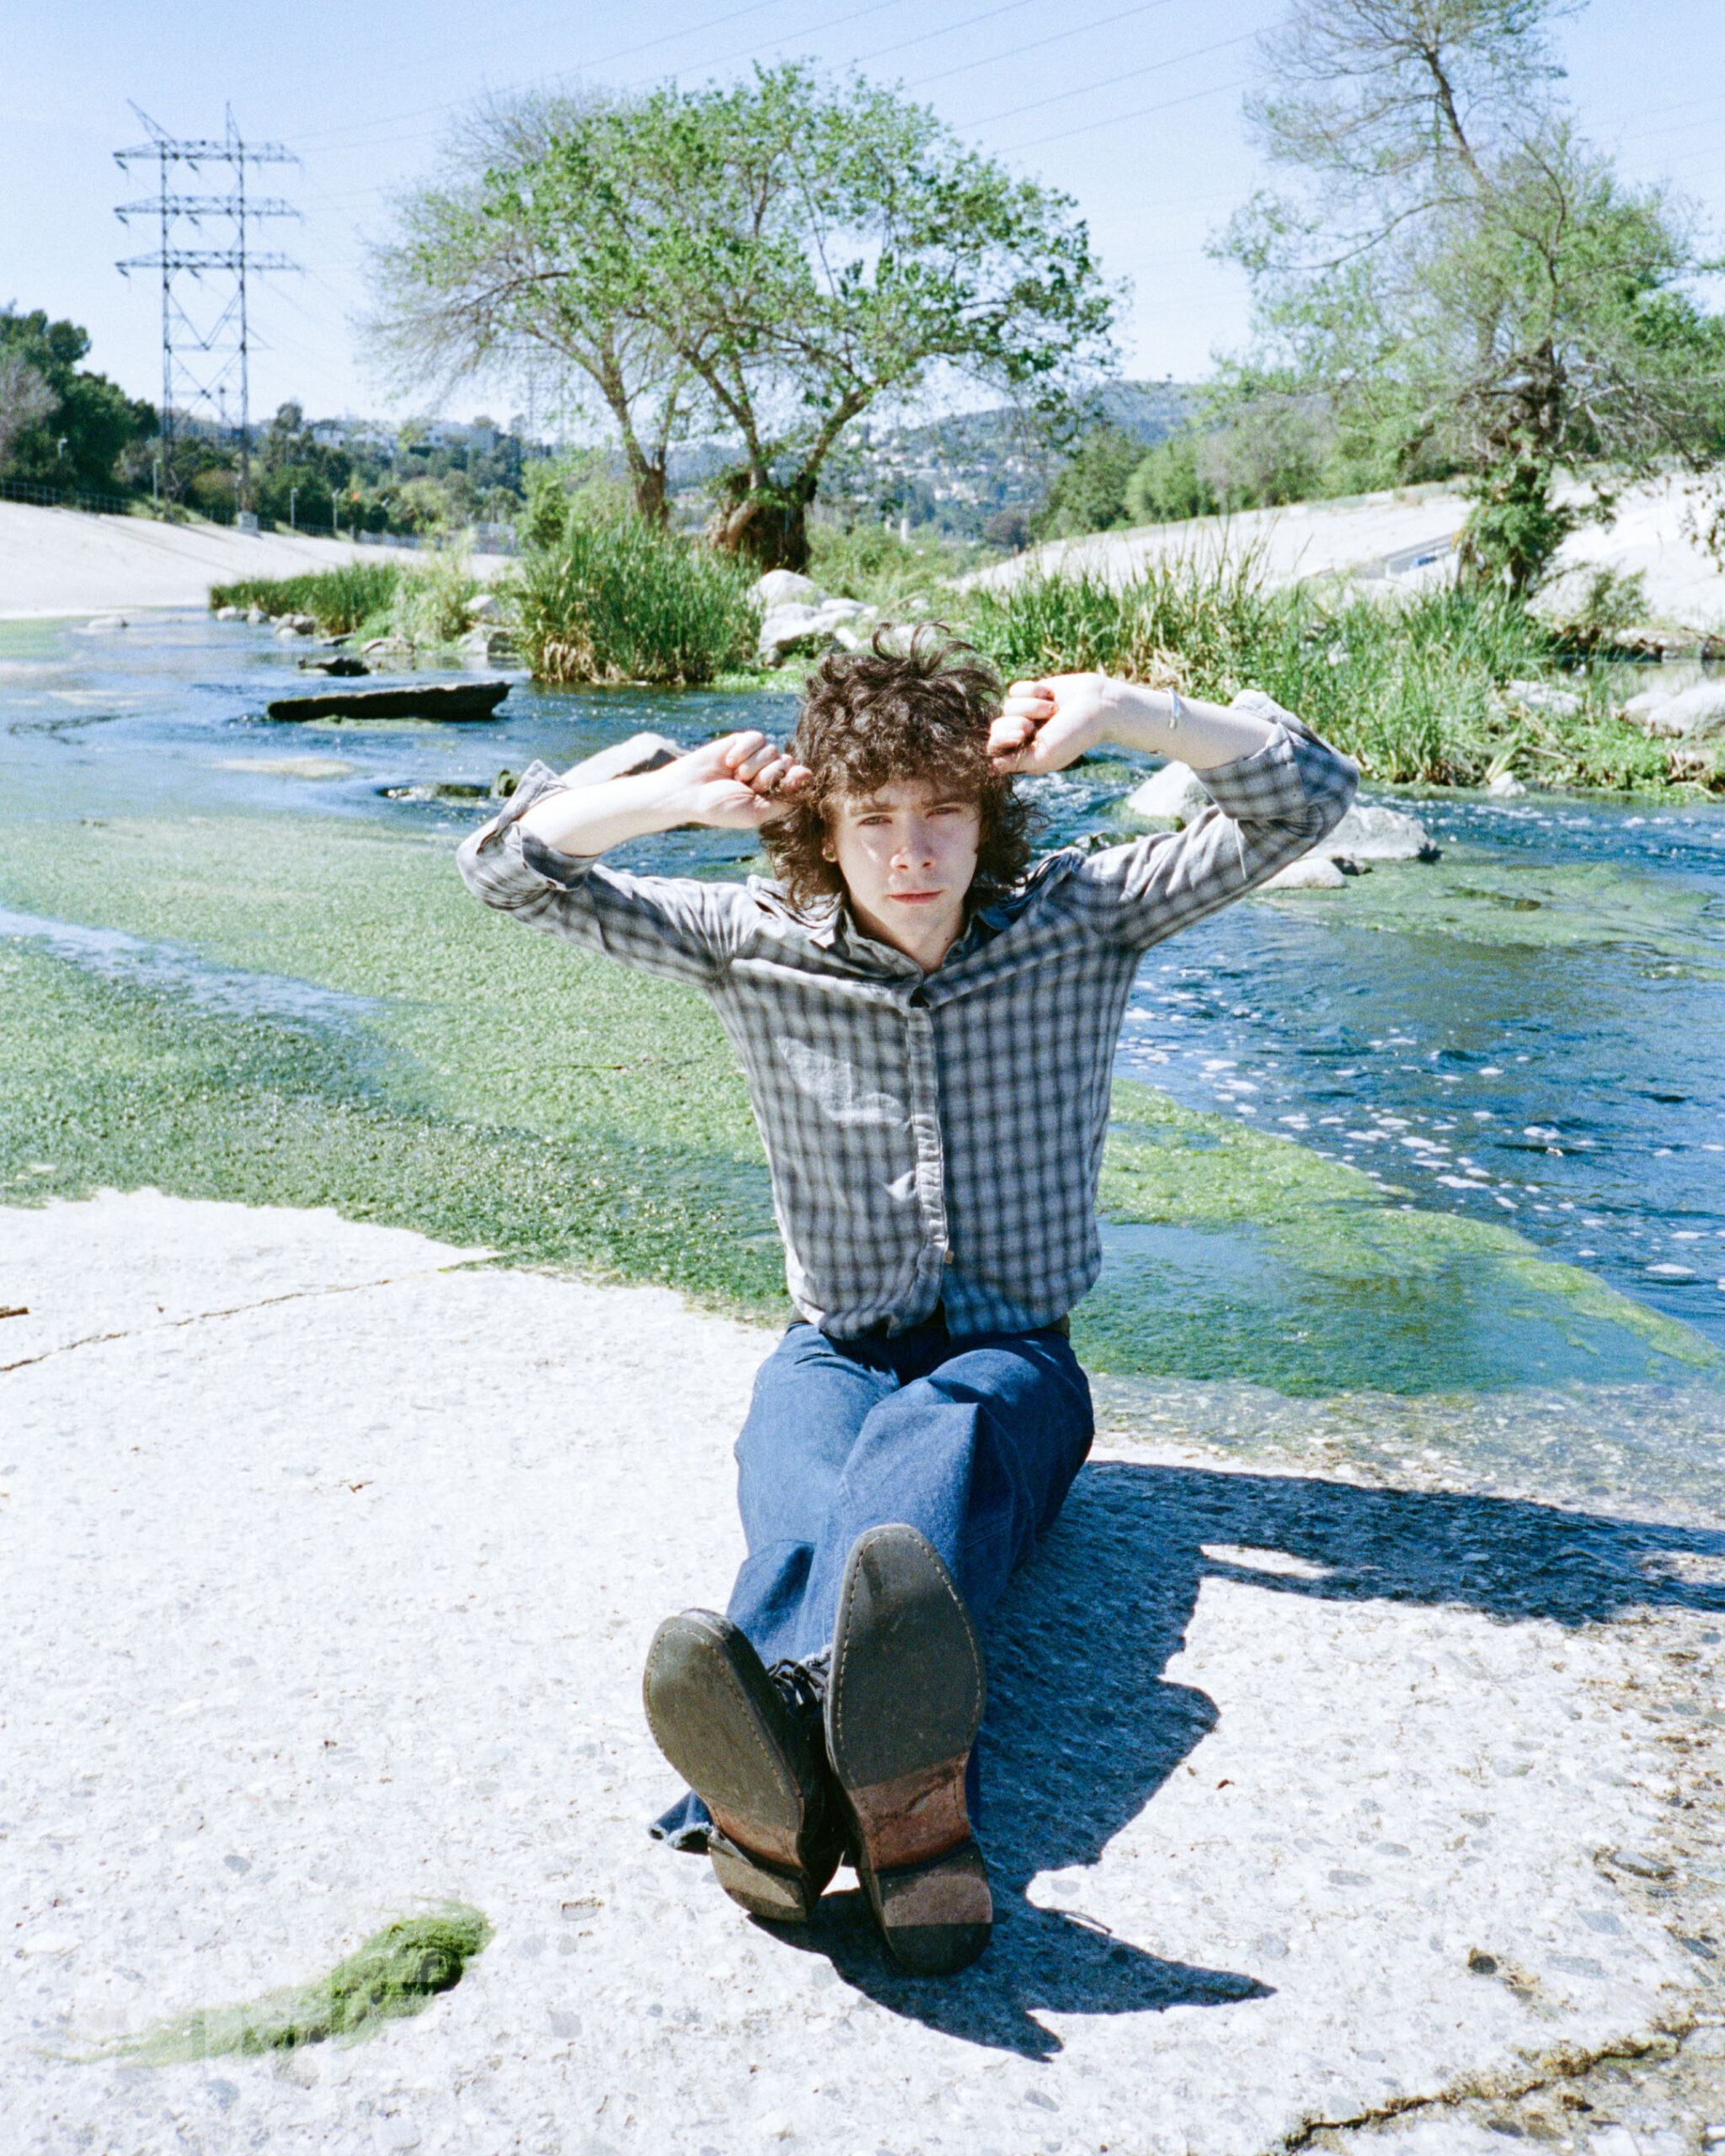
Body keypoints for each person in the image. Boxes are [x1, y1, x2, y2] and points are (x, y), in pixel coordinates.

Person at [457, 631, 1357, 1977]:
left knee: (938, 1441)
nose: (913, 851)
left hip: (1017, 1368)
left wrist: (1126, 712)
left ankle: (771, 1799)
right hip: (832, 1350)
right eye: (873, 819)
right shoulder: (744, 940)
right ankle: (908, 1826)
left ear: (987, 816)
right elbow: (505, 869)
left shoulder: (1084, 916)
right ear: (824, 827)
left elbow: (1309, 797)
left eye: (943, 812)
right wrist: (674, 795)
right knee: (800, 1466)